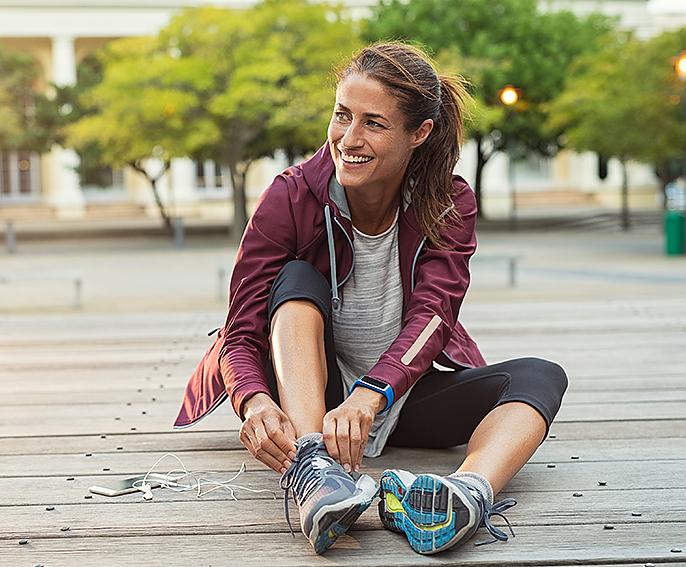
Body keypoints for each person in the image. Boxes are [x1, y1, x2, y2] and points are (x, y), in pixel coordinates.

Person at [174, 41, 567, 556]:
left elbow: (435, 315)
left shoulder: (449, 202)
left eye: (373, 123)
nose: (348, 138)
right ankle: (314, 471)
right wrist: (253, 400)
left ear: (419, 133)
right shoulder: (290, 197)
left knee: (540, 375)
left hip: (397, 395)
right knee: (295, 280)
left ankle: (466, 495)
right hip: (312, 400)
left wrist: (373, 393)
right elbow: (241, 330)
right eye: (342, 116)